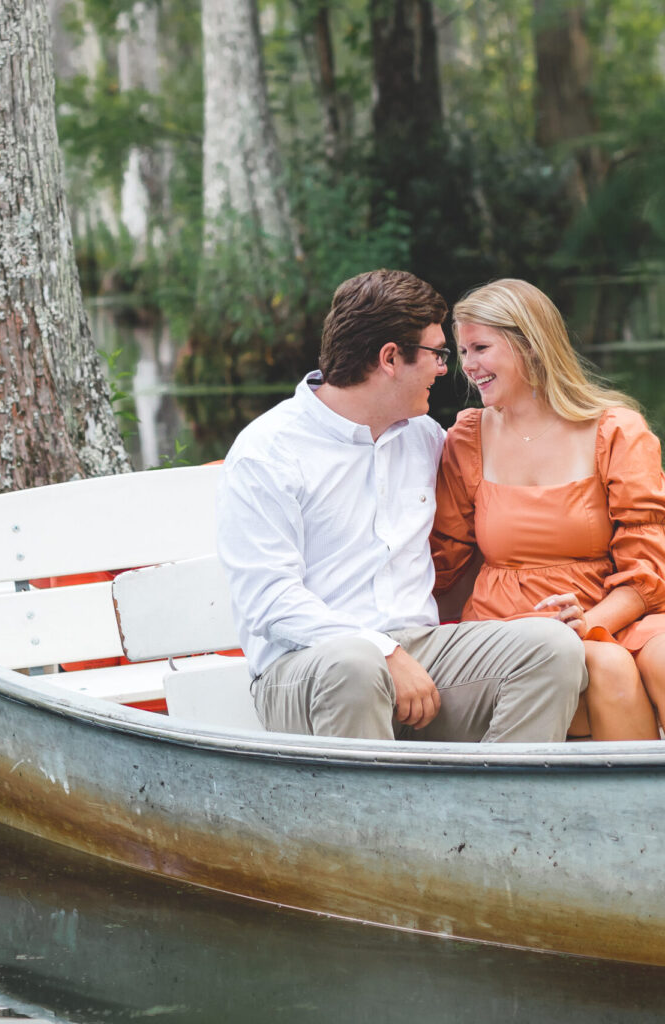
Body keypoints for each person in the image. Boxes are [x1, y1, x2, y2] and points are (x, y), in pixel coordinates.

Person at [216, 269, 587, 742]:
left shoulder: (426, 439)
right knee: (355, 665)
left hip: (422, 654)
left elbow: (495, 528)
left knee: (552, 647)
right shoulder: (268, 451)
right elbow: (269, 602)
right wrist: (383, 651)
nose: (445, 369)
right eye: (437, 354)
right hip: (308, 667)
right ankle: (369, 817)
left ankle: (494, 806)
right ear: (390, 358)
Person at [431, 279, 665, 741]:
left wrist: (590, 623)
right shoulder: (467, 439)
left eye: (480, 348)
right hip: (513, 624)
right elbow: (442, 561)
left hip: (616, 609)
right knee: (607, 665)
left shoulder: (615, 431)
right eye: (462, 351)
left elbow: (648, 567)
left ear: (530, 345)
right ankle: (636, 811)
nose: (467, 366)